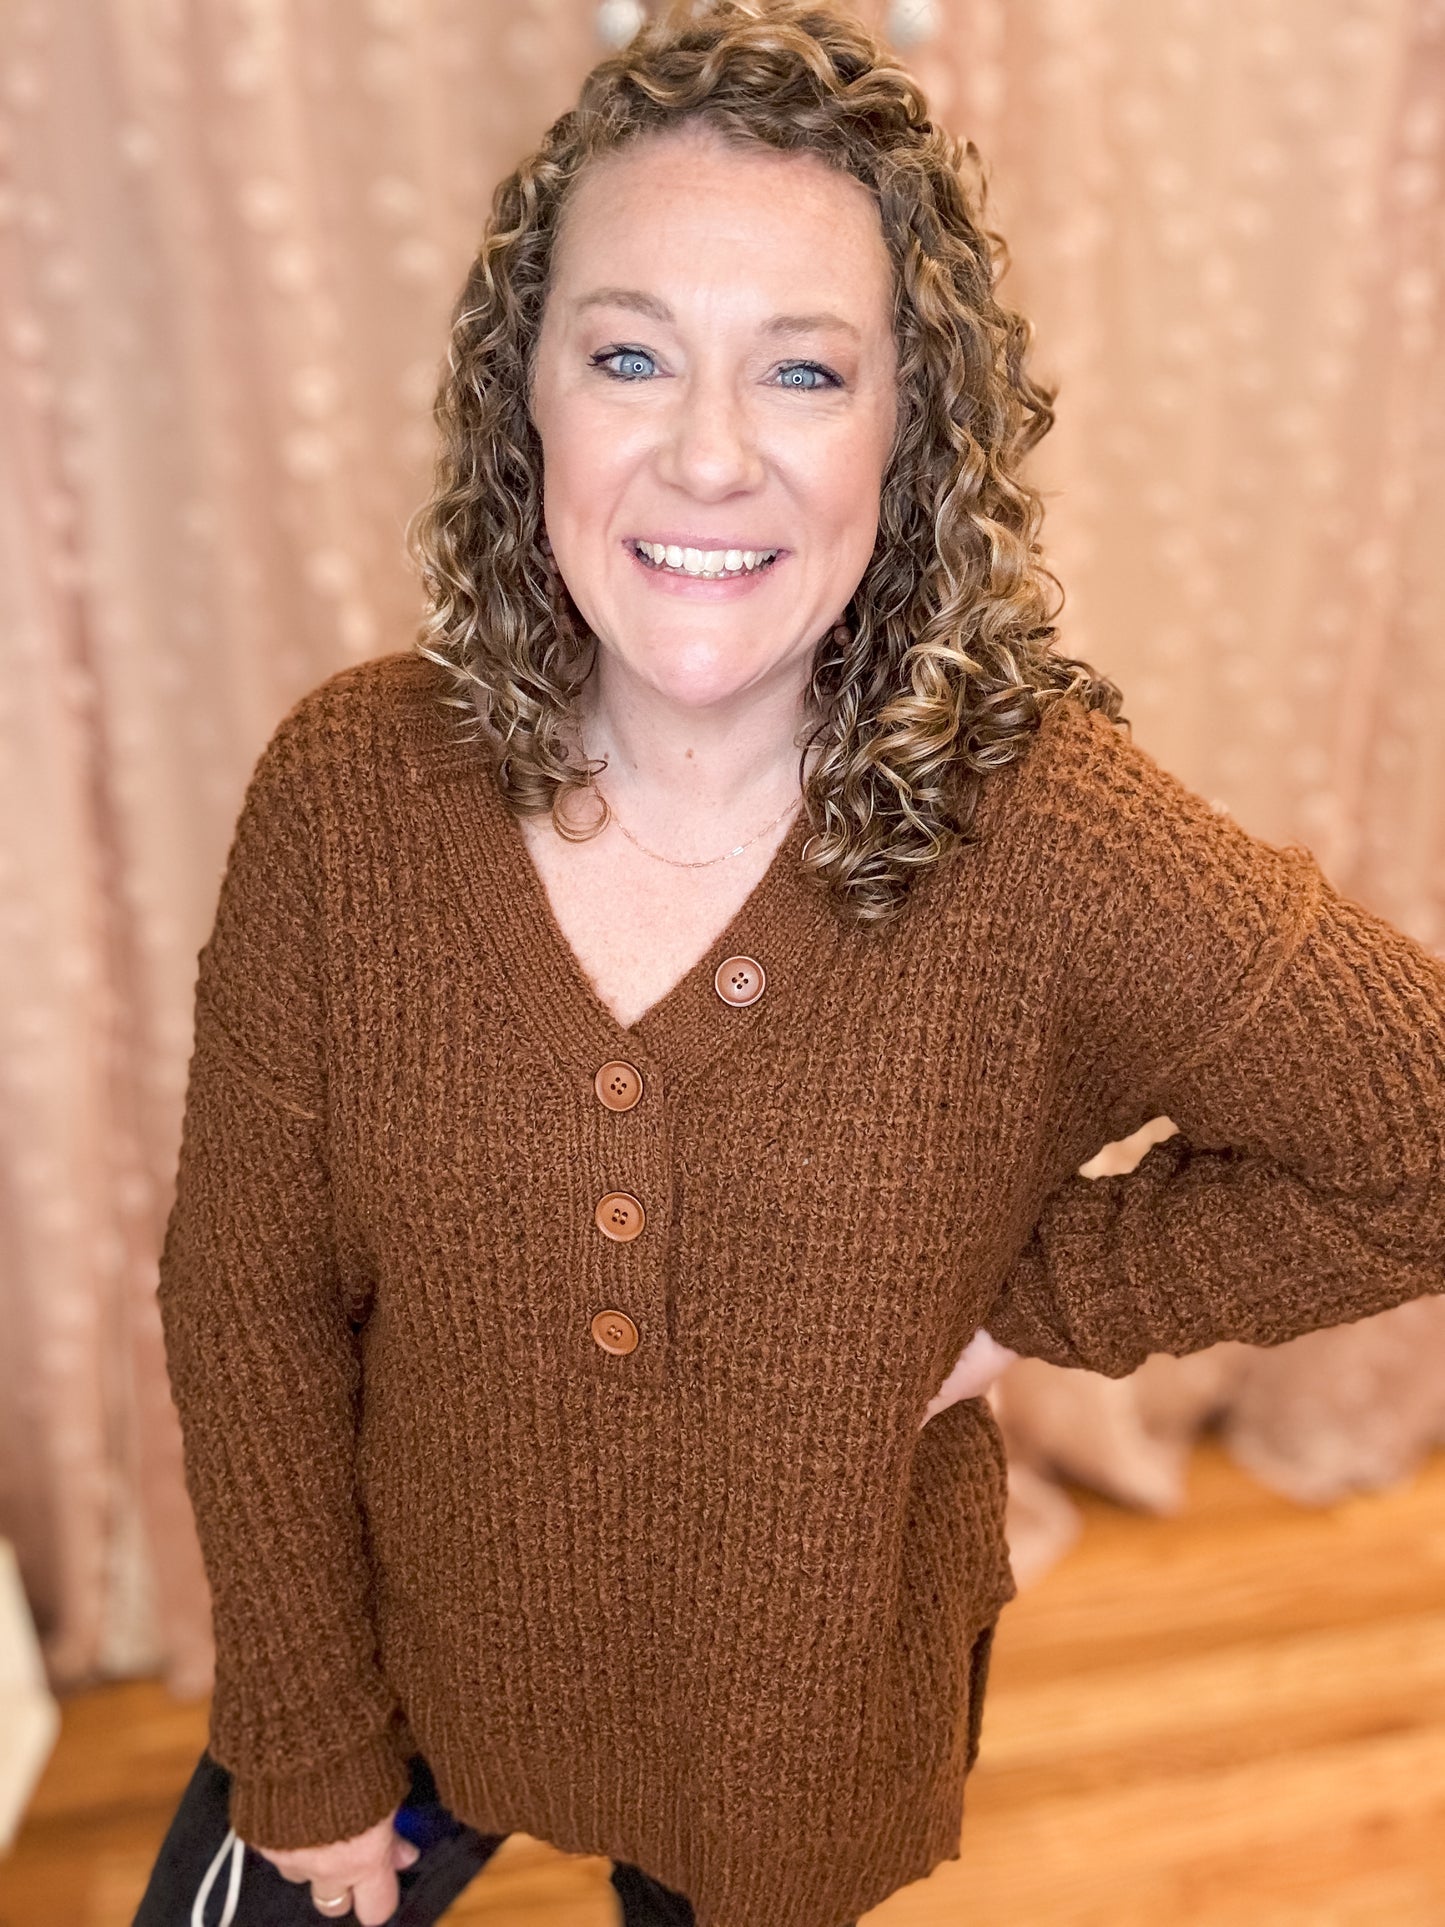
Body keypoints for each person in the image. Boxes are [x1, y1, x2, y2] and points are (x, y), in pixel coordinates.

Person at [140, 0, 1445, 1923]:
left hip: (788, 1740)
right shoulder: (350, 793)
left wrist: (1023, 1297)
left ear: (914, 430)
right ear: (529, 395)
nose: (710, 454)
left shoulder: (1046, 832)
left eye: (807, 372)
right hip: (395, 1666)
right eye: (631, 353)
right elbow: (244, 1297)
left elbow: (1417, 1121)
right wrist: (312, 1741)